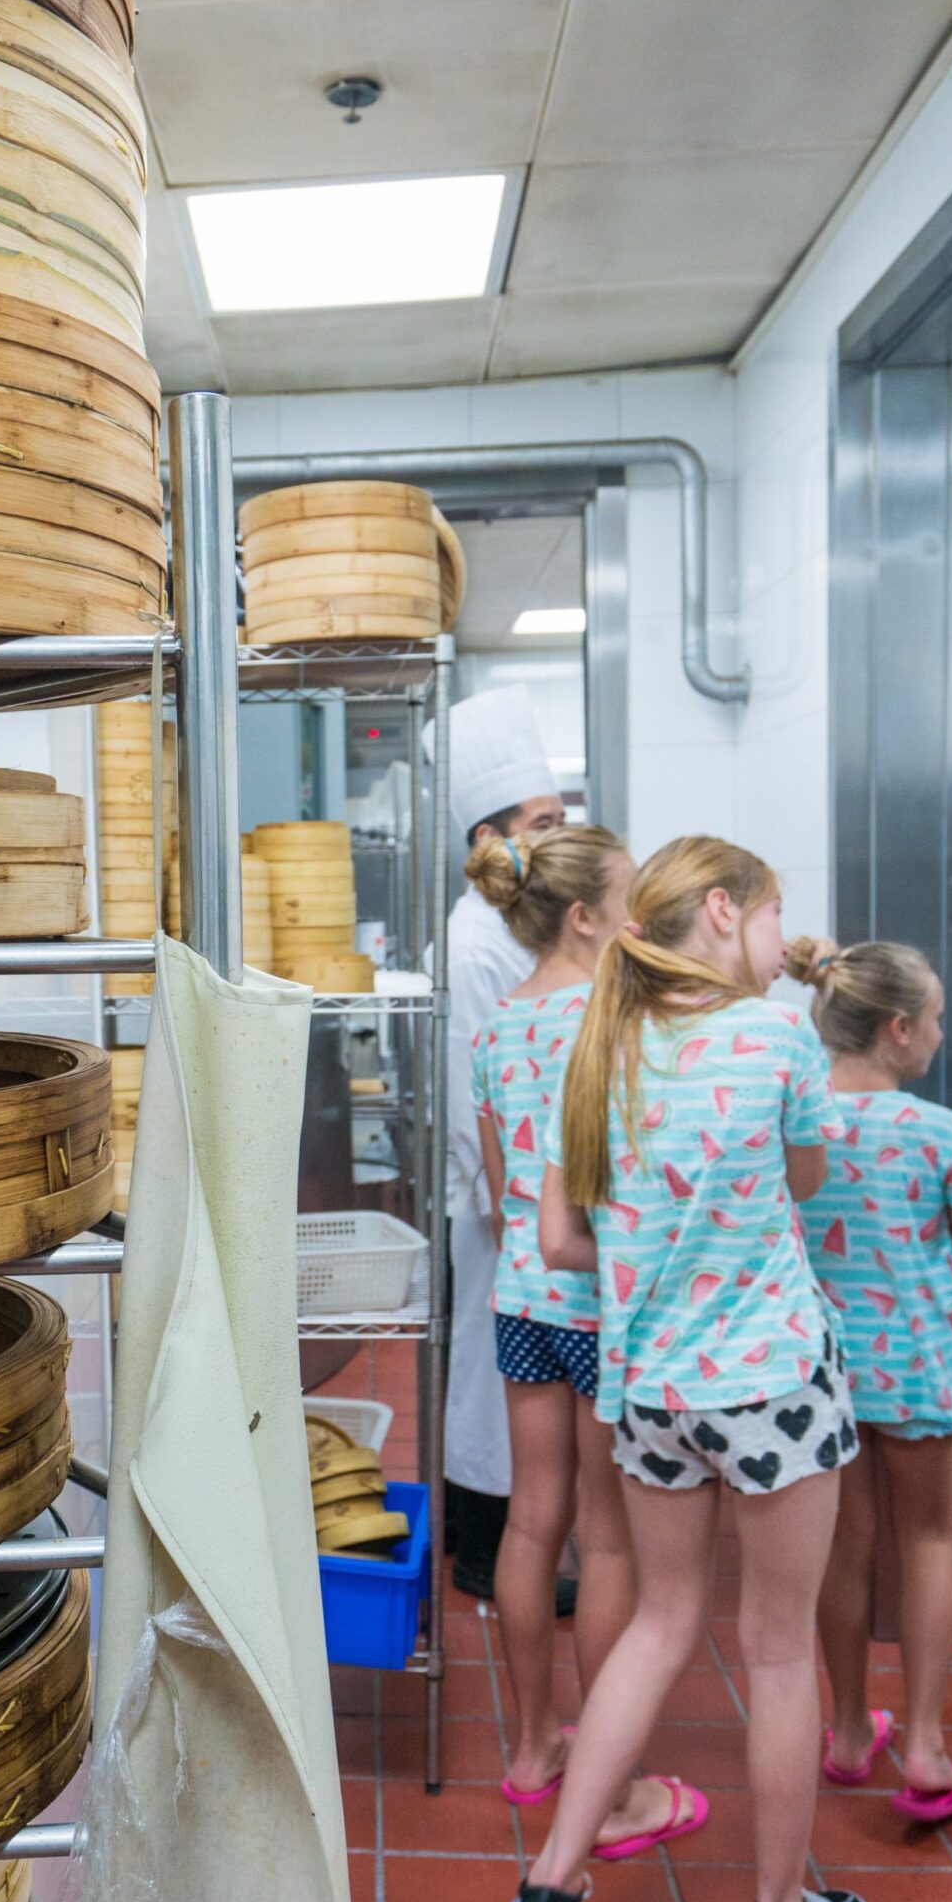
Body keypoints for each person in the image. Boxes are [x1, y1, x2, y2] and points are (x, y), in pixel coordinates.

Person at [511, 836, 873, 1902]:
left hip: (649, 1390)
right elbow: (803, 1181)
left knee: (658, 1625)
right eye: (771, 914)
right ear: (721, 911)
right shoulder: (775, 1036)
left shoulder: (598, 1044)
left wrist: (647, 1244)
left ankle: (548, 1886)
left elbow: (560, 1240)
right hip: (769, 1383)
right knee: (775, 1648)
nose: (777, 939)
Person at [470, 823, 702, 1857]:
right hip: (603, 1305)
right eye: (628, 901)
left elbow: (499, 1195)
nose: (639, 919)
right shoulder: (618, 1022)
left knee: (531, 1523)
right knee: (605, 1541)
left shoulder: (496, 1030)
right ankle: (613, 1790)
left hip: (522, 1297)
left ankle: (531, 1750)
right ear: (583, 917)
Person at [788, 938, 952, 1826]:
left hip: (820, 1371)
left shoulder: (796, 1127)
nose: (941, 1035)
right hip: (916, 1365)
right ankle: (923, 1745)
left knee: (842, 1547)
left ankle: (847, 1733)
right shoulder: (941, 1134)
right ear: (898, 1028)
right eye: (937, 1019)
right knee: (926, 1541)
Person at [432, 686, 567, 1601]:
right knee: (488, 1372)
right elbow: (465, 1090)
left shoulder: (523, 929)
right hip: (501, 1201)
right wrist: (505, 1204)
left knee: (515, 1373)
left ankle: (515, 1537)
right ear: (492, 838)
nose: (560, 835)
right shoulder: (473, 942)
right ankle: (484, 1548)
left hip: (536, 1198)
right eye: (544, 822)